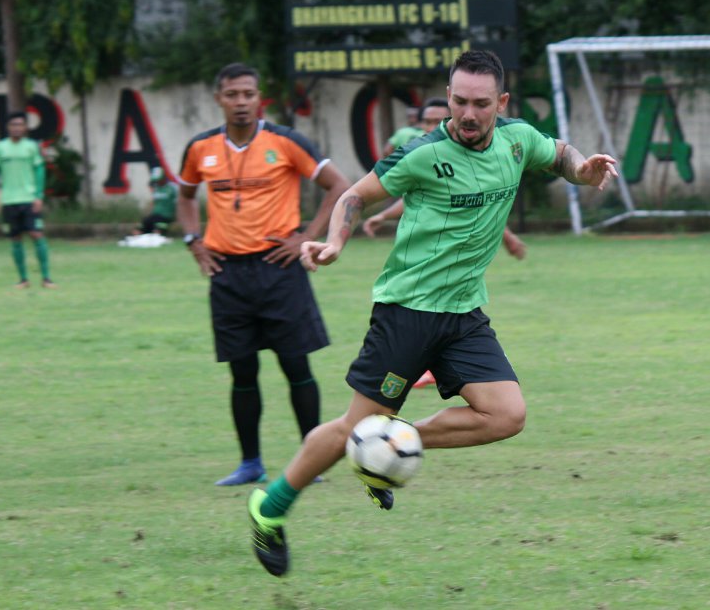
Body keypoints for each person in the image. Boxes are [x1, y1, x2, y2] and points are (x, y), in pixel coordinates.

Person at [247, 50, 617, 576]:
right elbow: (354, 196)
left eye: (481, 104)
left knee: (506, 415)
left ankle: (389, 447)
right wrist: (333, 244)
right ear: (448, 98)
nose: (469, 114)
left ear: (501, 103)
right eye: (460, 101)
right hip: (408, 312)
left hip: (465, 313)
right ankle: (270, 506)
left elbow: (557, 153)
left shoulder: (516, 139)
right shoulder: (422, 154)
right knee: (357, 425)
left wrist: (581, 169)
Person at [177, 63, 351, 487]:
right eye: (233, 94)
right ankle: (250, 463)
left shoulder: (286, 141)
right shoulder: (200, 147)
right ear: (219, 98)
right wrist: (192, 240)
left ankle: (312, 464)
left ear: (260, 99)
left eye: (248, 94)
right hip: (228, 273)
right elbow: (183, 195)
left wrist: (306, 237)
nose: (241, 102)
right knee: (241, 371)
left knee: (296, 365)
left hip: (280, 270)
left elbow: (339, 185)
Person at [364, 97, 527, 260]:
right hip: (423, 255)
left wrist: (507, 237)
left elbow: (481, 203)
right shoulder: (421, 156)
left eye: (437, 121)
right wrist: (382, 216)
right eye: (427, 122)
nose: (431, 128)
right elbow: (415, 197)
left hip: (452, 255)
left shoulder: (463, 159)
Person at [0, 111, 56, 288]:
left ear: (25, 127)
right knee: (15, 238)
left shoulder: (31, 147)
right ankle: (23, 279)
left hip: (28, 199)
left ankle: (46, 278)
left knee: (37, 234)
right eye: (13, 125)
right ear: (8, 127)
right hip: (9, 200)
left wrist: (39, 195)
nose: (17, 128)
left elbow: (40, 171)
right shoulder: (1, 147)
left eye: (20, 125)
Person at [133, 166, 177, 235]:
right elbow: (153, 203)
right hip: (155, 215)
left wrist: (176, 217)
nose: (157, 181)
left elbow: (178, 203)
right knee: (141, 226)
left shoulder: (172, 188)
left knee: (157, 228)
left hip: (166, 216)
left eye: (159, 179)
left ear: (163, 177)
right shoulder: (156, 188)